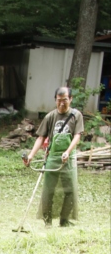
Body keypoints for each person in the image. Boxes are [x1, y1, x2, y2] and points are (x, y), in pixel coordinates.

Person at [23, 87, 84, 227]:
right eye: (59, 100)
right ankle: (47, 221)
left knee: (70, 190)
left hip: (68, 159)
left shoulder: (76, 115)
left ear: (71, 99)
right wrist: (31, 155)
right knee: (48, 190)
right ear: (55, 99)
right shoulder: (50, 116)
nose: (62, 103)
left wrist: (68, 151)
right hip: (52, 157)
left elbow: (77, 136)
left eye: (65, 100)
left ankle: (64, 220)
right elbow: (41, 137)